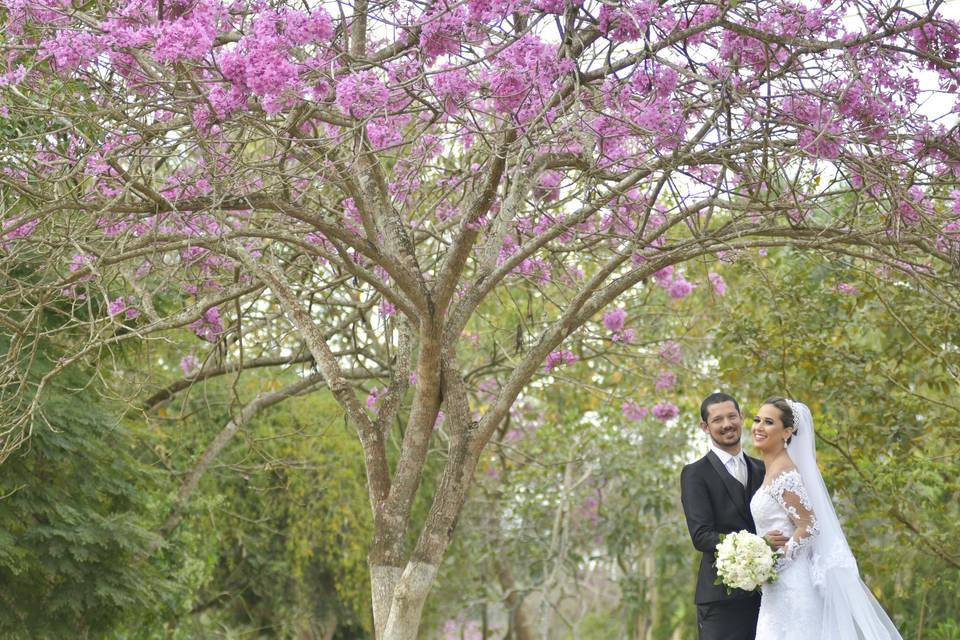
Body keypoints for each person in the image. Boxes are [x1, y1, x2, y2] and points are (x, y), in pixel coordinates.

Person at [749, 397, 904, 640]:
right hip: (776, 587)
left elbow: (809, 525)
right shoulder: (773, 469)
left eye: (768, 422)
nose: (758, 427)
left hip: (792, 584)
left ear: (787, 432)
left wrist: (774, 561)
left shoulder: (784, 473)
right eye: (757, 419)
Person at [681, 393, 788, 640]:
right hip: (721, 599)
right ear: (705, 427)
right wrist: (759, 546)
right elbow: (701, 536)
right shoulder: (694, 474)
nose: (727, 424)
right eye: (717, 420)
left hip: (768, 594)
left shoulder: (764, 468)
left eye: (732, 416)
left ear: (741, 417)